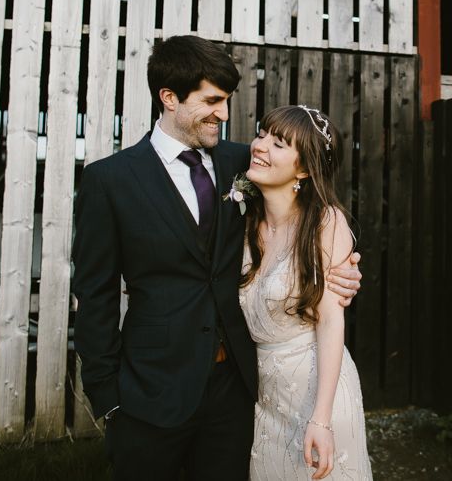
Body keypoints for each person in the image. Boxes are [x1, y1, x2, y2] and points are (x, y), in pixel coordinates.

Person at [72, 36, 362, 480]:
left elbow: (306, 207)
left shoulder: (244, 164)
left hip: (238, 392)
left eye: (226, 101)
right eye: (212, 101)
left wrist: (344, 272)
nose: (224, 114)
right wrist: (108, 397)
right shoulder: (109, 182)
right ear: (169, 98)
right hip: (151, 394)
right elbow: (94, 295)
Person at [239, 104, 372, 479]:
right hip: (265, 398)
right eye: (262, 134)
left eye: (278, 143)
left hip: (318, 389)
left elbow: (331, 321)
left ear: (303, 169)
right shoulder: (246, 222)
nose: (260, 146)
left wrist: (322, 418)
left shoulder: (325, 222)